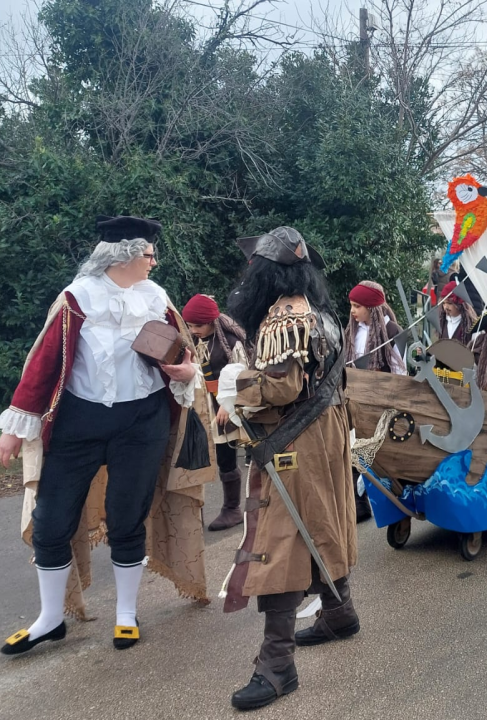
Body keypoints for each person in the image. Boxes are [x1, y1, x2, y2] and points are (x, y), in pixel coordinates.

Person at [0, 215, 211, 657]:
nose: (155, 262)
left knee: (126, 516)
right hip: (80, 423)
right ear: (125, 255)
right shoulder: (77, 299)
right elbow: (43, 363)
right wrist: (17, 425)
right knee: (52, 518)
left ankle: (126, 614)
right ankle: (50, 619)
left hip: (143, 422)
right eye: (150, 254)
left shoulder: (157, 298)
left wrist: (188, 371)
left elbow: (186, 355)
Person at [219, 227, 358, 711]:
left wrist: (236, 387)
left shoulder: (282, 317)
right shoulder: (318, 311)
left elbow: (280, 389)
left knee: (282, 540)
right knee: (321, 523)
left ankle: (277, 665)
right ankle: (340, 614)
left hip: (297, 440)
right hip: (326, 431)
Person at [183, 294, 250, 531]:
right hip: (203, 406)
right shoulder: (193, 341)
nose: (193, 329)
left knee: (227, 456)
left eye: (197, 325)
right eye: (189, 325)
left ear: (212, 321)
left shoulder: (231, 343)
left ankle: (233, 509)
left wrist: (227, 403)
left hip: (225, 407)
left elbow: (242, 375)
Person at [345, 281, 406, 522]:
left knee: (378, 454)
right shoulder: (353, 331)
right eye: (351, 305)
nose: (353, 311)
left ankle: (396, 500)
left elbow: (400, 373)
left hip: (381, 402)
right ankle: (358, 504)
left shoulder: (392, 332)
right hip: (356, 399)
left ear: (372, 307)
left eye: (357, 306)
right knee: (352, 448)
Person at [437, 280, 478, 345]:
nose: (445, 307)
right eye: (443, 303)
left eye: (450, 303)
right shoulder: (442, 322)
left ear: (459, 305)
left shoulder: (471, 325)